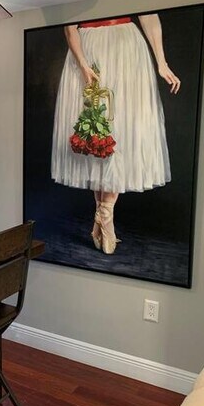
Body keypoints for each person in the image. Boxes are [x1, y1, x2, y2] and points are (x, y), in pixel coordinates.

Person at [50, 14, 180, 254]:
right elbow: (69, 27)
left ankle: (104, 214)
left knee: (121, 132)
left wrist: (161, 62)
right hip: (87, 49)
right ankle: (104, 217)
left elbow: (149, 16)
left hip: (125, 48)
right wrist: (83, 65)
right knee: (96, 132)